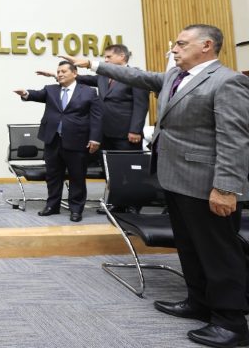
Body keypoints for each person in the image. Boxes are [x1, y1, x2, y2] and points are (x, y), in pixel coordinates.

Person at [61, 24, 249, 348]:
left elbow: (235, 141)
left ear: (206, 46)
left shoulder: (226, 82)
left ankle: (231, 323)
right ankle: (199, 302)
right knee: (189, 248)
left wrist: (226, 188)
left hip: (207, 185)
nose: (173, 49)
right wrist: (91, 64)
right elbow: (134, 76)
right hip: (174, 181)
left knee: (219, 253)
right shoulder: (174, 78)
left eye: (180, 43)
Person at [14, 61, 102, 222]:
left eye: (63, 71)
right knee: (53, 176)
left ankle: (76, 209)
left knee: (77, 176)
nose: (60, 74)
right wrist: (25, 93)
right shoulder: (51, 89)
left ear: (74, 73)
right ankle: (52, 206)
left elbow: (96, 117)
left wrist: (95, 138)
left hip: (77, 140)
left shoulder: (89, 92)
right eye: (58, 71)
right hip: (53, 140)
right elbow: (36, 94)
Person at [38, 44, 149, 152]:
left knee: (127, 167)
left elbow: (141, 105)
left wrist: (135, 130)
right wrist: (56, 75)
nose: (105, 60)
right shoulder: (104, 76)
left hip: (126, 134)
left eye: (108, 57)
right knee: (107, 168)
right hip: (104, 133)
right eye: (105, 57)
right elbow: (80, 79)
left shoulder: (136, 76)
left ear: (122, 56)